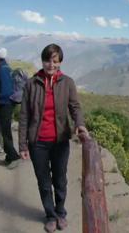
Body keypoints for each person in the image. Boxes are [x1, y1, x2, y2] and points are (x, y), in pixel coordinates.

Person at [18, 43, 89, 232]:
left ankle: (60, 212)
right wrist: (23, 146)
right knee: (43, 182)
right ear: (42, 61)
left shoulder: (67, 83)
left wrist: (80, 124)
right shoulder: (31, 84)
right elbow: (24, 115)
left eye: (55, 61)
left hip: (60, 142)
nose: (51, 64)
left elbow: (75, 107)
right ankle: (50, 215)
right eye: (48, 60)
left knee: (60, 180)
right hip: (37, 143)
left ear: (60, 62)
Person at [0, 48, 21, 169]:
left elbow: (6, 91)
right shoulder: (5, 68)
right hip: (5, 105)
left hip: (5, 105)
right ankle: (8, 157)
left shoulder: (2, 70)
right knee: (3, 131)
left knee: (5, 132)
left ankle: (14, 157)